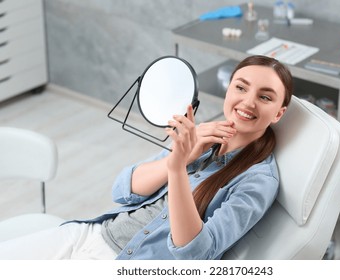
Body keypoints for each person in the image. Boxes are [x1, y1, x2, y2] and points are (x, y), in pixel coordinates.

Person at [0, 55, 293, 260]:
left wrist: (179, 168)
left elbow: (195, 252)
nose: (248, 101)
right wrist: (180, 157)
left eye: (265, 97)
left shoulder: (257, 180)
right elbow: (122, 190)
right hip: (90, 234)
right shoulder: (203, 136)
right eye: (241, 87)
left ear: (279, 113)